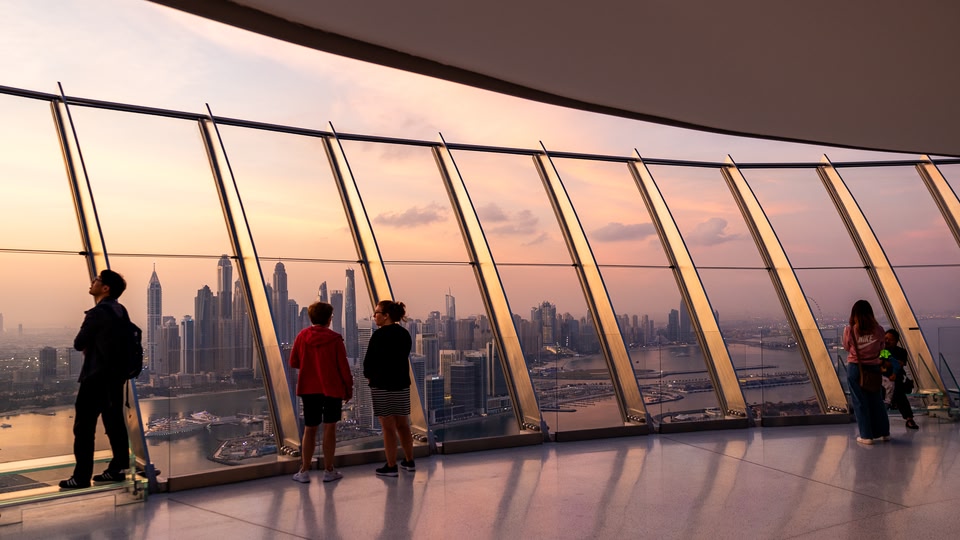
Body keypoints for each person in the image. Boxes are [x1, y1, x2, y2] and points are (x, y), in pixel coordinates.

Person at [60, 270, 132, 489]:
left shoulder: (97, 313)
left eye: (97, 280)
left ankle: (81, 477)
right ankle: (117, 469)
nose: (93, 282)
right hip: (116, 378)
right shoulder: (121, 311)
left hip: (95, 378)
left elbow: (78, 343)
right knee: (114, 424)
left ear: (106, 288)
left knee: (84, 428)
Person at [289, 301, 353, 483]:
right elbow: (344, 367)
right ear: (328, 319)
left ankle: (304, 470)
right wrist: (348, 389)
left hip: (309, 389)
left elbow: (293, 362)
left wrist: (310, 365)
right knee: (330, 428)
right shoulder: (335, 339)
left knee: (309, 429)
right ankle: (329, 470)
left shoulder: (302, 336)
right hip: (332, 389)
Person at [363, 300, 415, 477]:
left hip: (382, 386)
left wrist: (371, 377)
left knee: (388, 428)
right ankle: (409, 460)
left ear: (386, 316)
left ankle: (391, 466)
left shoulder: (378, 336)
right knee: (403, 425)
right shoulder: (404, 334)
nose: (374, 316)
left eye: (377, 313)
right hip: (401, 385)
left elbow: (368, 364)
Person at [843, 299, 890, 445]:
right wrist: (879, 358)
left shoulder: (850, 330)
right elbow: (883, 348)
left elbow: (846, 347)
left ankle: (866, 435)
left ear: (854, 314)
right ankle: (884, 432)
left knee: (859, 402)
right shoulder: (879, 329)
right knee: (877, 401)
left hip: (855, 368)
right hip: (873, 368)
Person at [882, 329, 919, 430]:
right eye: (886, 338)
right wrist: (893, 363)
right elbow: (885, 363)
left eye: (890, 339)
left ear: (896, 341)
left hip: (896, 378)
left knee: (899, 392)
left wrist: (888, 363)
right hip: (883, 379)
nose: (887, 341)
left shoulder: (901, 351)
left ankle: (909, 418)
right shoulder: (883, 350)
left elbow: (899, 364)